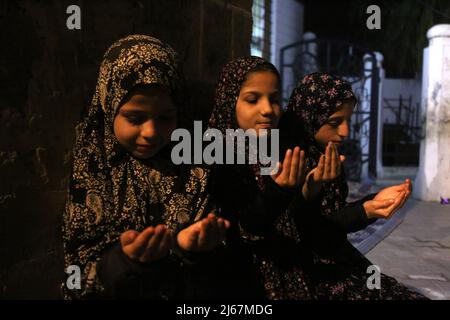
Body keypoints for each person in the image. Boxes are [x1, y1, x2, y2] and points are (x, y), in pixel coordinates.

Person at [62, 35, 229, 299]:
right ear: (109, 104)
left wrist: (186, 247)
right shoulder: (93, 167)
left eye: (165, 117)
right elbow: (78, 270)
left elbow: (215, 263)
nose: (151, 132)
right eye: (135, 118)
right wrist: (122, 262)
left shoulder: (195, 169)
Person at [280, 72, 426, 299]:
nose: (345, 132)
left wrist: (374, 201)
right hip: (307, 268)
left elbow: (335, 217)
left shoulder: (325, 154)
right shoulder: (286, 158)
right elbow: (306, 230)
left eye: (348, 121)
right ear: (310, 116)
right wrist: (364, 210)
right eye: (335, 122)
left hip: (338, 256)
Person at [209, 56, 316, 299]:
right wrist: (277, 193)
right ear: (229, 100)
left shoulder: (278, 150)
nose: (268, 110)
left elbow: (296, 226)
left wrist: (310, 189)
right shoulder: (215, 155)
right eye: (252, 99)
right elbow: (241, 229)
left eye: (275, 100)